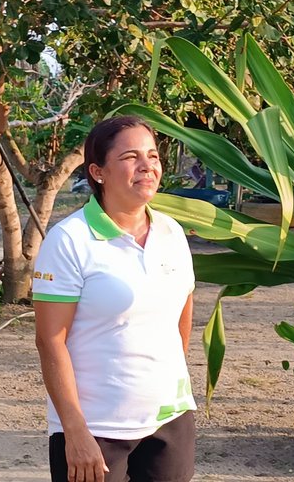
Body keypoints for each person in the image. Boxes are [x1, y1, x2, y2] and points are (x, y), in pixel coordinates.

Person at [33, 115, 196, 482]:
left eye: (153, 156)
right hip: (96, 428)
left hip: (169, 421)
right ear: (98, 171)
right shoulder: (68, 241)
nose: (147, 167)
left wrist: (162, 383)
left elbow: (181, 316)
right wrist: (74, 431)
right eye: (130, 157)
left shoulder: (171, 232)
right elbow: (50, 341)